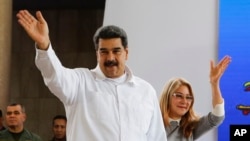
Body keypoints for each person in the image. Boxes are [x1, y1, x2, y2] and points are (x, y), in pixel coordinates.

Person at [16, 10, 167, 141]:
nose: (110, 58)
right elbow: (55, 75)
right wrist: (44, 45)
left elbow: (157, 137)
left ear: (126, 53)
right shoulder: (80, 82)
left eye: (116, 51)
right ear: (97, 54)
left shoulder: (146, 91)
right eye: (104, 52)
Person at [159, 55, 231, 141]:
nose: (184, 101)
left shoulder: (189, 127)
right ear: (167, 96)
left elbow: (217, 117)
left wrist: (214, 83)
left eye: (189, 97)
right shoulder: (154, 122)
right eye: (179, 95)